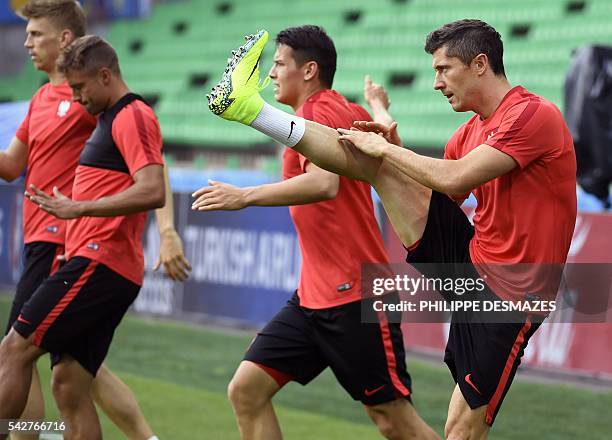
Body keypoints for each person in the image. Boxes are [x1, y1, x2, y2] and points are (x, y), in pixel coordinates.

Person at [206, 19, 577, 439]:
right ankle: (250, 110)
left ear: (479, 64)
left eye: (443, 69)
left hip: (512, 295)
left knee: (460, 430)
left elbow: (456, 179)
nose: (436, 83)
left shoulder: (532, 114)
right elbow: (428, 192)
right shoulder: (468, 132)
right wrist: (390, 149)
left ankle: (252, 111)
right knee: (377, 164)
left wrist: (386, 151)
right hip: (471, 268)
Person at [194, 25, 439, 440]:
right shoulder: (340, 107)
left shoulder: (314, 113)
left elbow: (325, 183)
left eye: (278, 63)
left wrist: (245, 196)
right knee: (247, 391)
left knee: (396, 423)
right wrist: (379, 108)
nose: (270, 73)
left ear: (309, 71)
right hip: (314, 297)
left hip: (356, 294)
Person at [0, 2, 190, 439]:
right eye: (24, 35)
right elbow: (12, 165)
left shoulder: (108, 107)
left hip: (75, 246)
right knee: (72, 380)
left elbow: (152, 171)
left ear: (66, 40)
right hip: (61, 242)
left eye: (36, 34)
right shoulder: (48, 99)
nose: (27, 42)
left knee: (17, 349)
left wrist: (166, 230)